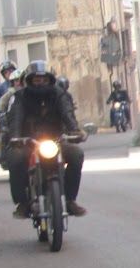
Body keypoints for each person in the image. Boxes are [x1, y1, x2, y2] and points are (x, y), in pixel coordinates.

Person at [5, 61, 87, 218]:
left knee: (77, 154)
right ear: (29, 81)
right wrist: (15, 138)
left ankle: (70, 200)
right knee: (15, 158)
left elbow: (68, 115)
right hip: (29, 142)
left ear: (50, 80)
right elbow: (15, 119)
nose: (40, 83)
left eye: (44, 80)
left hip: (56, 141)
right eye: (36, 80)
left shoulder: (60, 95)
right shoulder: (20, 97)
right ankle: (22, 203)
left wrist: (75, 132)